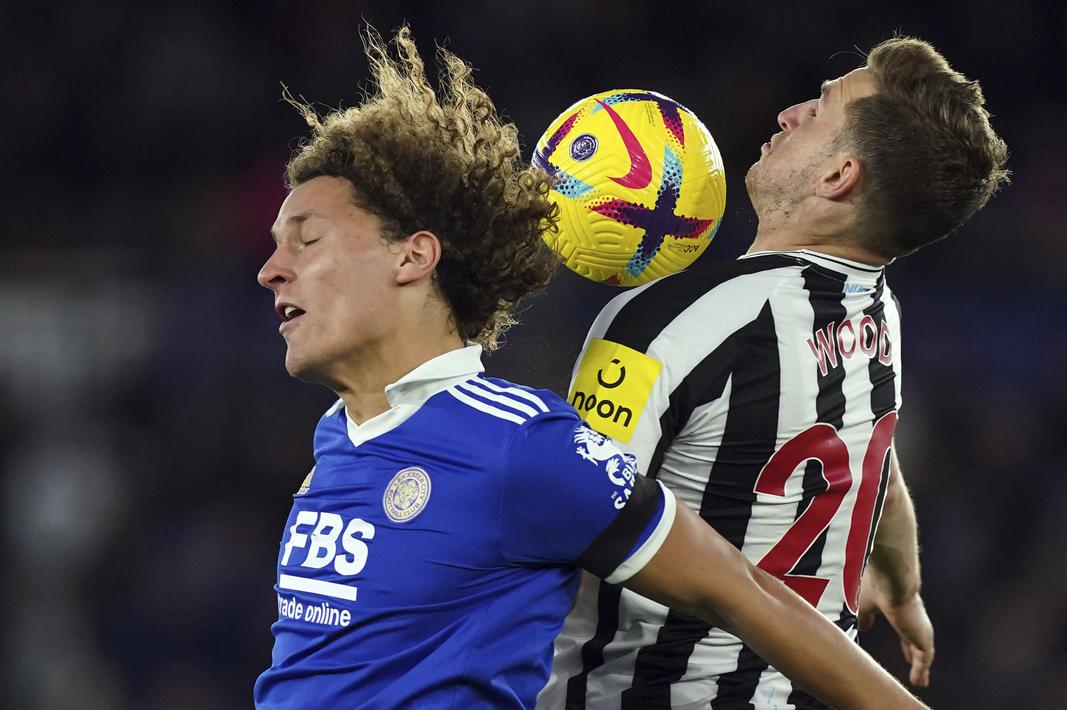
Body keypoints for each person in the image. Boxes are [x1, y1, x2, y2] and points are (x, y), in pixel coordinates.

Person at [251, 25, 928, 710]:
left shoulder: (525, 450)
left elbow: (748, 596)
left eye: (307, 240)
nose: (271, 270)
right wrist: (898, 580)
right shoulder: (339, 441)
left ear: (412, 257)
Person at [540, 37, 1009, 709]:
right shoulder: (875, 311)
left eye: (817, 110)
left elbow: (563, 524)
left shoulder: (667, 321)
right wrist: (901, 588)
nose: (788, 114)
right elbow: (872, 460)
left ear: (836, 176)